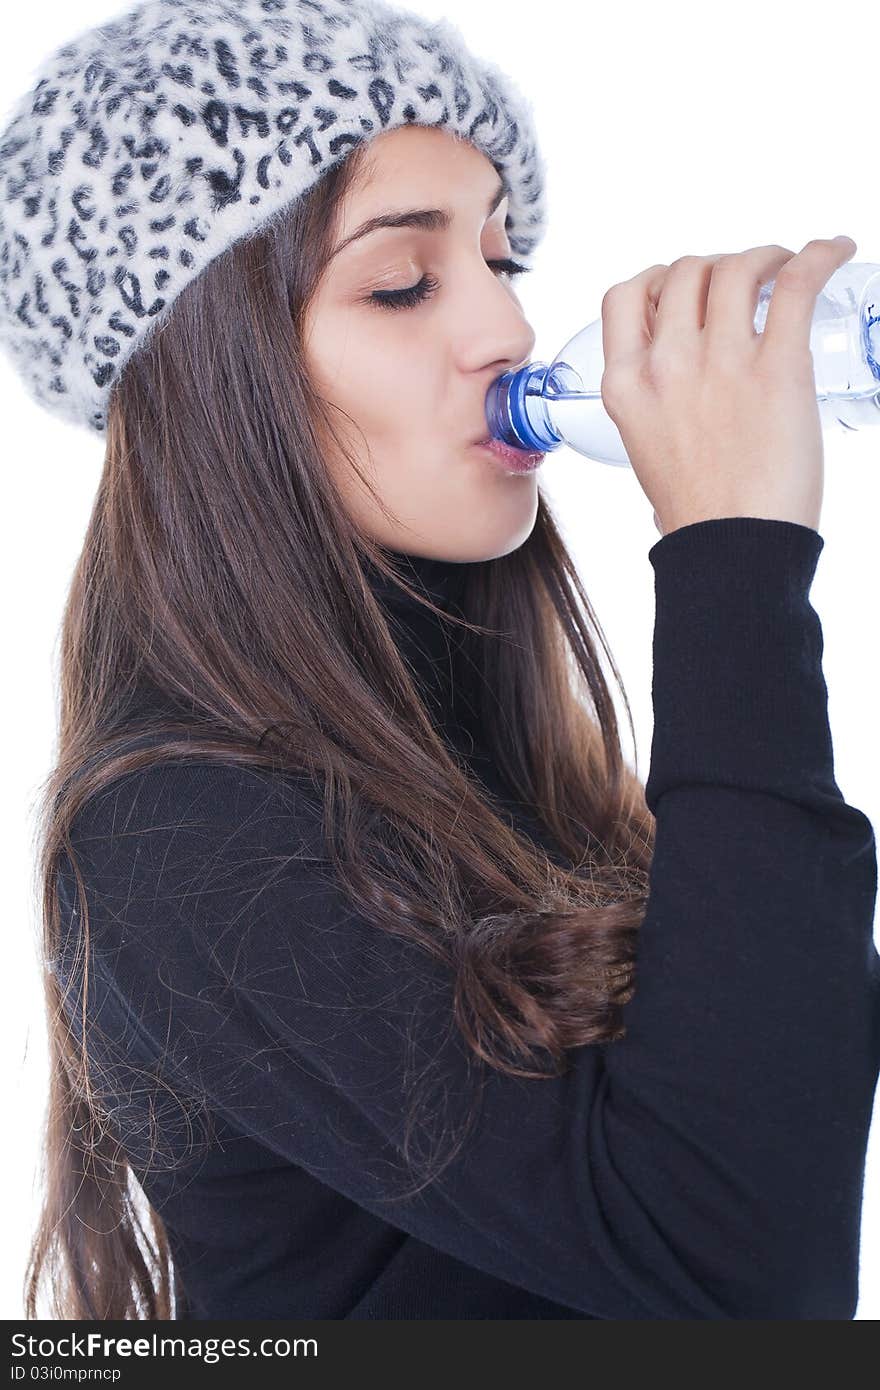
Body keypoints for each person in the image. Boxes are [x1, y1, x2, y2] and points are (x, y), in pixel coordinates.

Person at [2, 0, 876, 1321]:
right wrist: (736, 559)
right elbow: (742, 1273)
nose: (509, 333)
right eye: (403, 283)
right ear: (207, 379)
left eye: (501, 263)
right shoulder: (179, 828)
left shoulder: (508, 769)